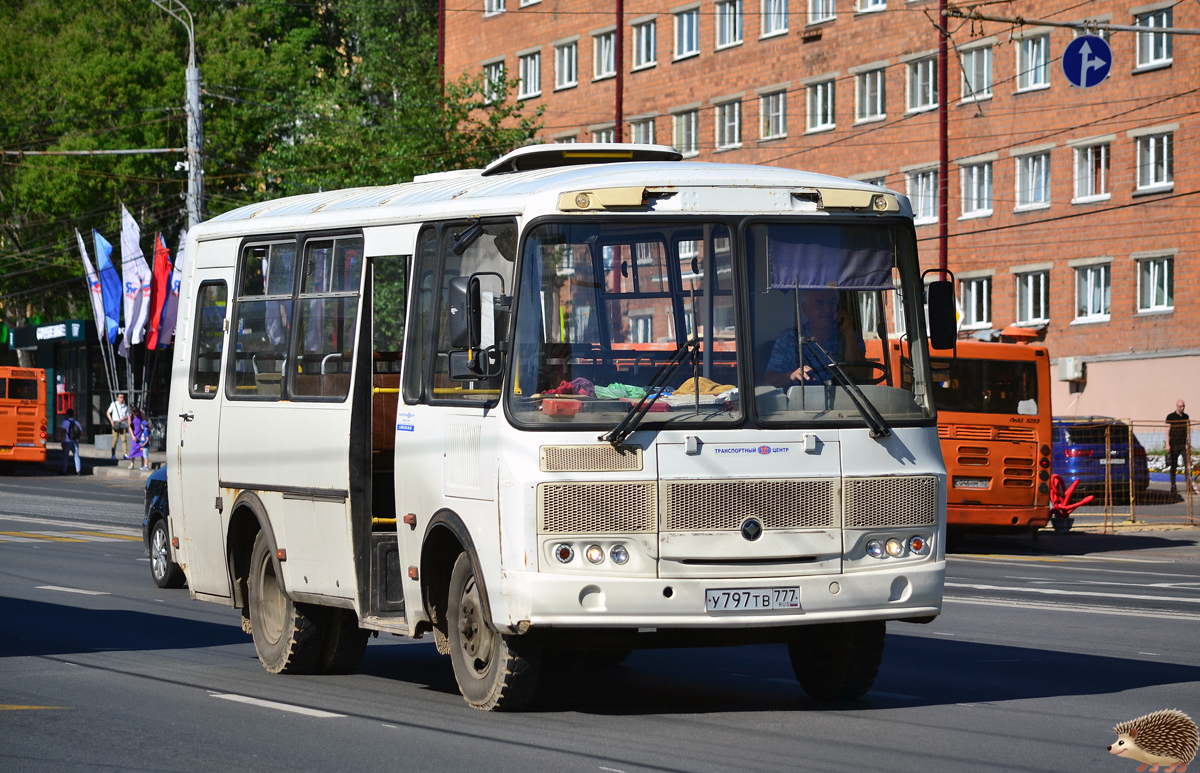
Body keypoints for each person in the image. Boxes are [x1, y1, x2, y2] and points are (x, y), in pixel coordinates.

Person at [764, 288, 865, 388]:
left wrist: (848, 332)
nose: (827, 308)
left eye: (831, 303)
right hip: (803, 402)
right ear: (805, 309)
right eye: (819, 303)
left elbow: (863, 375)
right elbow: (769, 381)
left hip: (845, 400)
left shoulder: (851, 336)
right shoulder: (789, 338)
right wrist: (792, 375)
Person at [1165, 399, 1190, 494]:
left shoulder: (1186, 416)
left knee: (1187, 465)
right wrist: (1167, 444)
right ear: (1176, 406)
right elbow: (1167, 431)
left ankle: (1188, 485)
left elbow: (1188, 428)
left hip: (1182, 444)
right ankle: (1173, 485)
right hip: (1174, 444)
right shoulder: (1170, 416)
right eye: (1180, 406)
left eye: (1183, 406)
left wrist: (1187, 440)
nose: (1182, 408)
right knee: (1173, 465)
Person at [106, 393, 130, 461]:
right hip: (115, 424)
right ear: (117, 398)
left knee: (124, 440)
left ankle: (125, 454)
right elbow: (108, 412)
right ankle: (113, 454)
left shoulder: (125, 406)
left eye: (123, 397)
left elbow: (128, 415)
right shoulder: (114, 404)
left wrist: (122, 419)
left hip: (122, 424)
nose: (122, 399)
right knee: (115, 440)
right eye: (120, 397)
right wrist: (111, 420)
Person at [59, 408, 83, 475]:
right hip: (75, 441)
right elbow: (81, 432)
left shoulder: (64, 422)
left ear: (67, 414)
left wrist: (62, 442)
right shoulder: (77, 422)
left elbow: (62, 433)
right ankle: (78, 470)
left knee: (65, 456)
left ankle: (64, 470)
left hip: (67, 441)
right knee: (76, 455)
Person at [128, 406, 150, 471]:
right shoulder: (130, 416)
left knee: (142, 450)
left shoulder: (141, 414)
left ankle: (143, 464)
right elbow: (130, 427)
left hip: (141, 434)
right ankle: (132, 463)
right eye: (134, 413)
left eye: (136, 413)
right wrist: (132, 436)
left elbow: (145, 422)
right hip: (135, 434)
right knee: (134, 449)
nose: (135, 414)